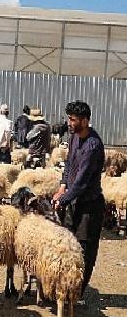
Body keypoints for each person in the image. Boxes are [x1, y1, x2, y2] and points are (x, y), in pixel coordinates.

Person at [53, 101, 104, 300]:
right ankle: (65, 286)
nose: (69, 122)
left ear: (85, 120)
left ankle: (77, 293)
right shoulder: (74, 138)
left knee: (84, 250)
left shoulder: (93, 145)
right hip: (73, 200)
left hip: (90, 205)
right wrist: (62, 187)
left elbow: (82, 181)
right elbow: (69, 165)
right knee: (68, 243)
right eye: (69, 118)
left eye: (73, 119)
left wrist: (63, 199)